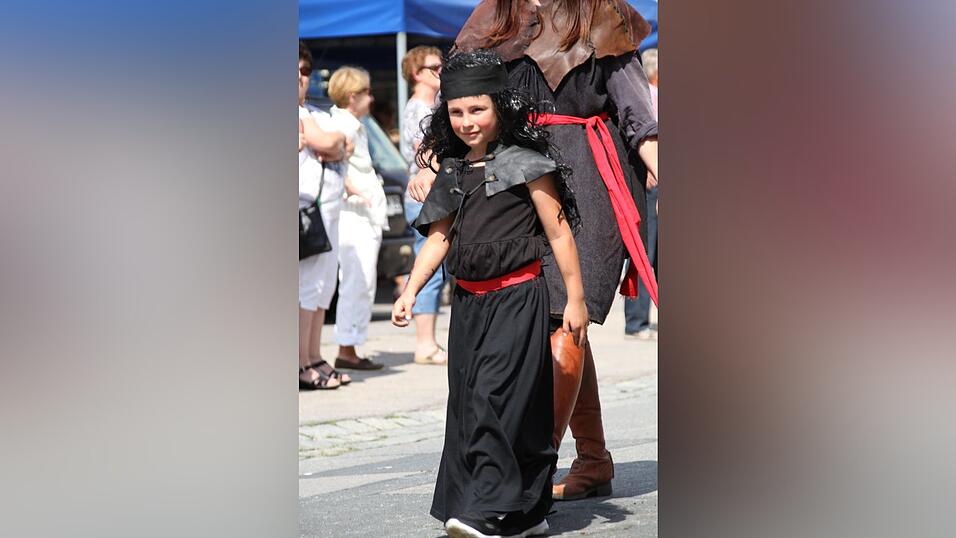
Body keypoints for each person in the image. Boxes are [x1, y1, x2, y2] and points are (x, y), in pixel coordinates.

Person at [409, 0, 659, 501]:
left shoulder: (602, 12)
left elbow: (636, 112)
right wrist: (432, 159)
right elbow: (461, 93)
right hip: (513, 178)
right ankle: (593, 459)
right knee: (549, 316)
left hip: (589, 177)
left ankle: (525, 473)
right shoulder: (491, 16)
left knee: (566, 308)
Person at [393, 50, 588, 538]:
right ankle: (525, 512)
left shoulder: (528, 164)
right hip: (469, 305)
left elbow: (559, 233)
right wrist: (411, 290)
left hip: (518, 301)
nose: (466, 121)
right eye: (456, 112)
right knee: (470, 402)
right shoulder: (453, 171)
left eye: (477, 109)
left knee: (493, 399)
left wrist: (577, 300)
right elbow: (438, 238)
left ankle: (485, 509)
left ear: (500, 107)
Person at [298, 42, 352, 389]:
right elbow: (328, 142)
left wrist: (328, 143)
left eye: (304, 72)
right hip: (303, 210)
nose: (300, 79)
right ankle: (300, 362)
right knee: (305, 287)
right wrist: (327, 143)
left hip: (328, 207)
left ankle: (314, 355)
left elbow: (343, 144)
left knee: (322, 289)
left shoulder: (315, 113)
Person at [327, 66, 388, 371]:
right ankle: (347, 347)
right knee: (357, 279)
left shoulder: (354, 124)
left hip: (362, 212)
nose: (371, 97)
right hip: (354, 214)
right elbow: (336, 160)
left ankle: (350, 345)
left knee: (361, 279)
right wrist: (354, 189)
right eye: (366, 92)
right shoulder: (344, 126)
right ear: (353, 96)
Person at [399, 45, 448, 366]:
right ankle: (424, 343)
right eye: (434, 67)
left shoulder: (435, 106)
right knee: (428, 268)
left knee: (435, 268)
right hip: (422, 196)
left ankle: (428, 341)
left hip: (432, 194)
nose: (441, 71)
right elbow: (426, 154)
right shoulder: (418, 109)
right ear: (417, 73)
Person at [625, 47, 659, 339]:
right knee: (644, 250)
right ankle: (636, 322)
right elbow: (641, 134)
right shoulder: (644, 94)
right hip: (650, 182)